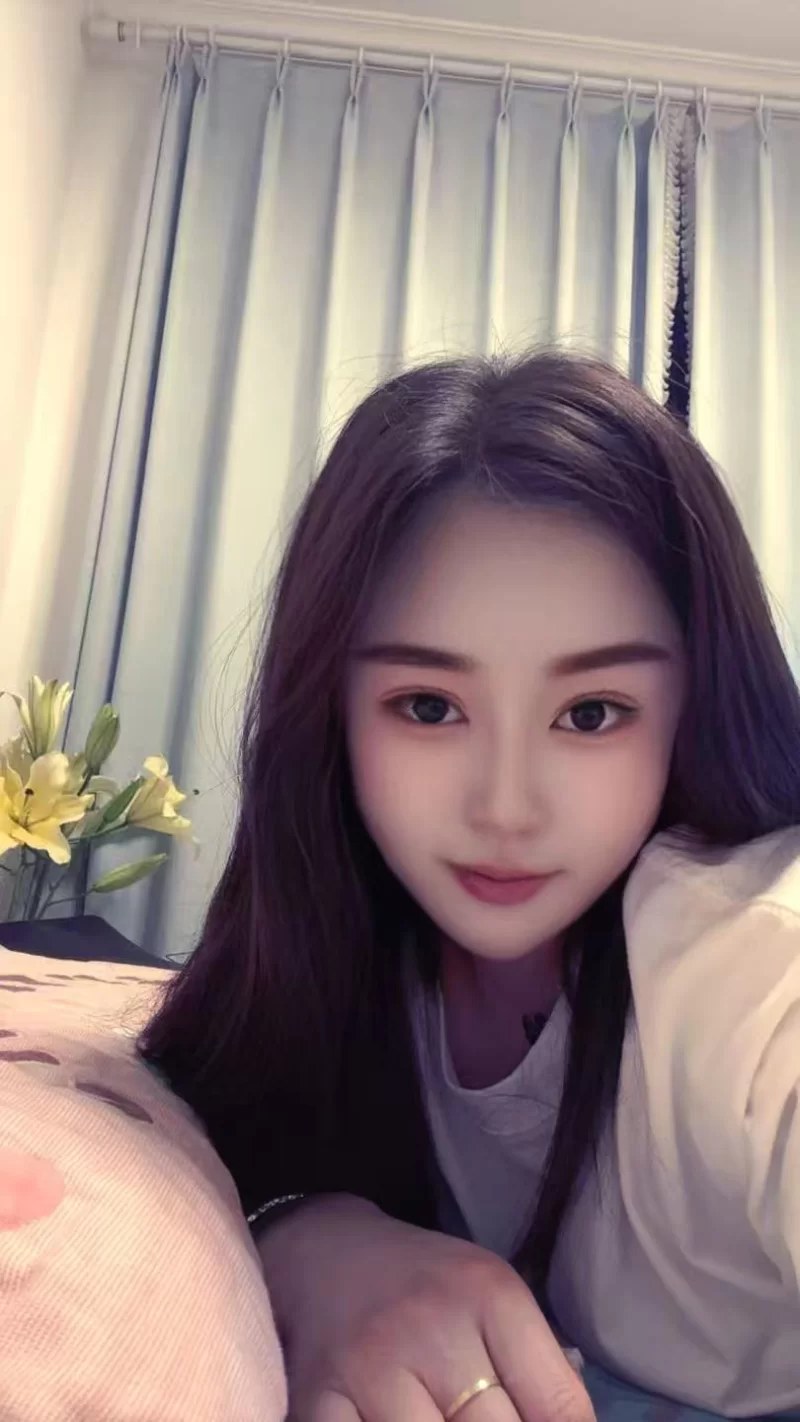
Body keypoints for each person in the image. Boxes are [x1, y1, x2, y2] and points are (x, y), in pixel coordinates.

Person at [138, 349, 800, 1422]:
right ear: (332, 711)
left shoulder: (749, 955)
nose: (504, 808)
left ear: (693, 706)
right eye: (428, 707)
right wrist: (309, 1234)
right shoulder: (338, 960)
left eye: (591, 713)